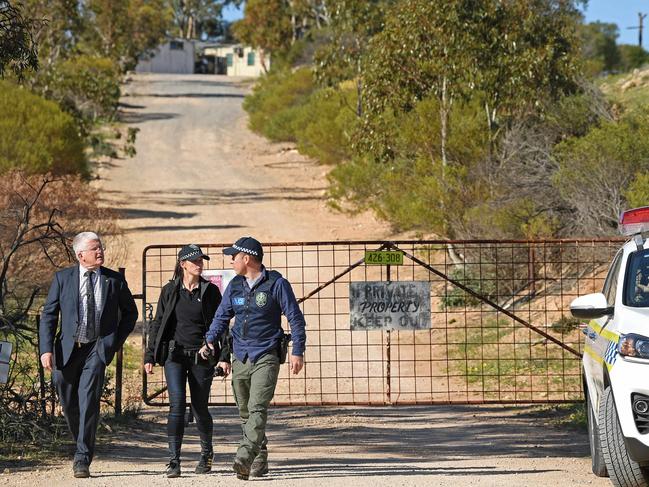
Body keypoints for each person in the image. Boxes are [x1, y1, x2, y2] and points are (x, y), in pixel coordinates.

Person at [200, 236, 306, 480]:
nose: (231, 260)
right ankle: (260, 457)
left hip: (266, 353)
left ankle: (244, 457)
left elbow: (295, 318)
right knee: (245, 410)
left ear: (246, 258)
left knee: (258, 407)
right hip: (240, 354)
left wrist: (297, 350)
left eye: (234, 256)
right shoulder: (235, 285)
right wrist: (209, 340)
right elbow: (221, 317)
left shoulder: (277, 284)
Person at [39, 232, 138, 478]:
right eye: (94, 249)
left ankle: (82, 457)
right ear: (81, 255)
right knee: (68, 400)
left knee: (89, 401)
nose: (100, 252)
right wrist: (46, 349)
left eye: (101, 247)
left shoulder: (113, 280)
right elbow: (49, 315)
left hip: (97, 349)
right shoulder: (63, 279)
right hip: (68, 350)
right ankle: (80, 442)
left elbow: (130, 314)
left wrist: (112, 342)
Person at [144, 244, 231, 478]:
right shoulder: (170, 290)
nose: (199, 264)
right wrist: (150, 355)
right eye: (195, 261)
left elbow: (221, 324)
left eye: (202, 260)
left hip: (202, 357)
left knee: (200, 407)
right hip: (175, 356)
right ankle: (174, 461)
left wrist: (224, 357)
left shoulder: (210, 291)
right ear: (183, 264)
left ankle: (206, 454)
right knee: (177, 406)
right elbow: (157, 324)